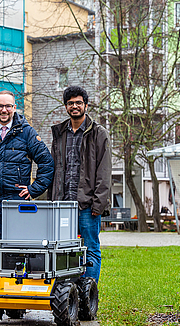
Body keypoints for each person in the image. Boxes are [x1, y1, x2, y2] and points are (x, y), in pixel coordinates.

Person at [0, 90, 54, 277]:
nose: (4, 110)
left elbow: (46, 162)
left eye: (8, 106)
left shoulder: (27, 132)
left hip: (17, 202)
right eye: (0, 106)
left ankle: (16, 298)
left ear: (14, 108)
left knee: (17, 250)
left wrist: (34, 189)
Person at [48, 86, 111, 283]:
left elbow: (104, 171)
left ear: (85, 105)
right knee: (62, 250)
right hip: (62, 204)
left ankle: (88, 297)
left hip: (87, 206)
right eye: (70, 103)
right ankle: (68, 294)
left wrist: (98, 204)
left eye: (78, 103)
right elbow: (54, 167)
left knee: (91, 249)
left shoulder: (99, 133)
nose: (74, 106)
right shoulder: (60, 133)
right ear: (66, 106)